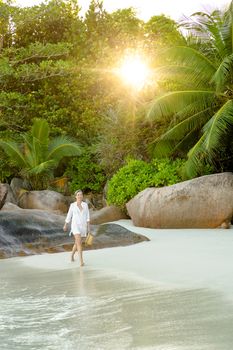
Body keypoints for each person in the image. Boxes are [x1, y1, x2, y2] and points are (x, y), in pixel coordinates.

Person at [63, 190, 90, 266]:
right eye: (78, 195)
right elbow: (69, 215)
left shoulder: (85, 205)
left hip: (83, 226)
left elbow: (88, 217)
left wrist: (89, 228)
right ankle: (81, 261)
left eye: (81, 194)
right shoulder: (72, 205)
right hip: (75, 226)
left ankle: (71, 255)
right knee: (79, 243)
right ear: (75, 196)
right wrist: (65, 224)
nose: (80, 196)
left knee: (77, 242)